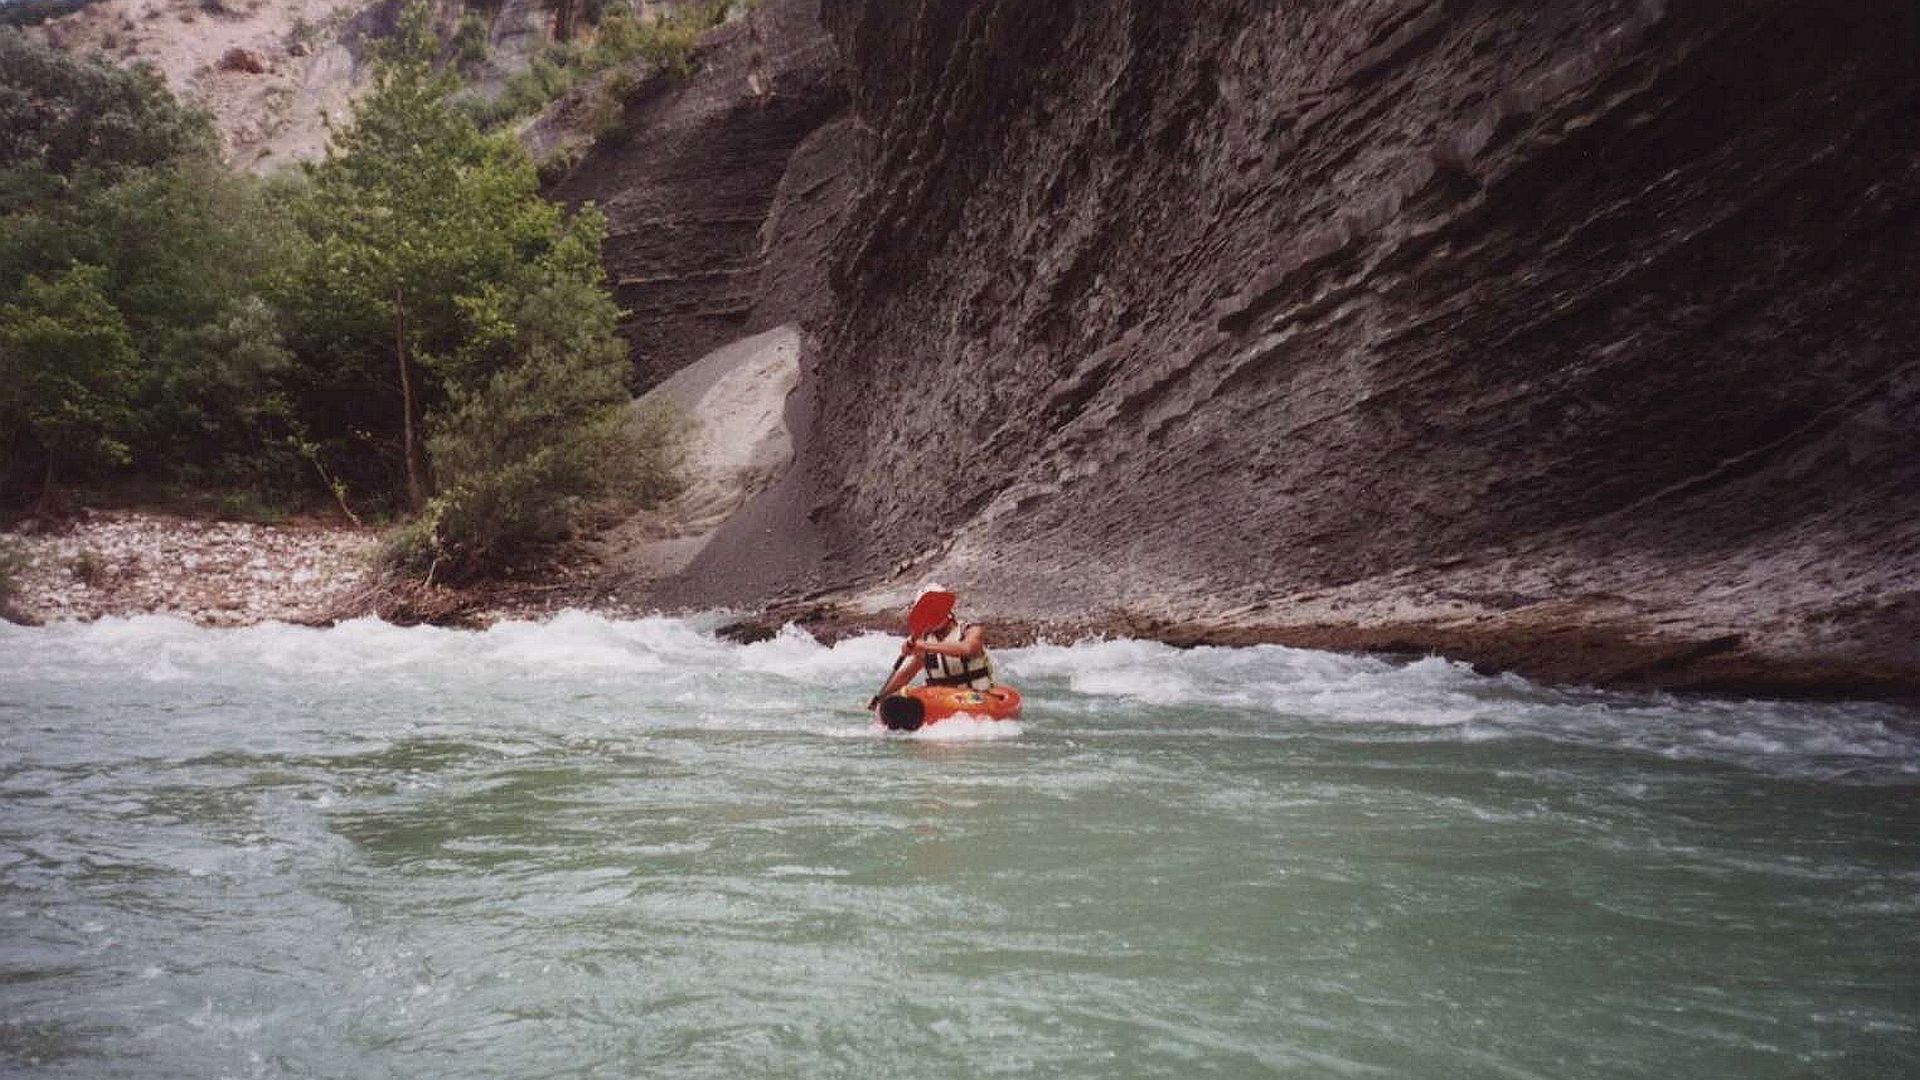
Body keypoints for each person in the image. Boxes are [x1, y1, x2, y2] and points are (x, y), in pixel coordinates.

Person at [867, 592, 995, 709]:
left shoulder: (971, 630)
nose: (933, 617)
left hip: (975, 696)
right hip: (940, 700)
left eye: (936, 612)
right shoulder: (925, 641)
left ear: (948, 612)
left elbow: (968, 649)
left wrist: (924, 646)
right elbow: (905, 675)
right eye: (927, 614)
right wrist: (881, 697)